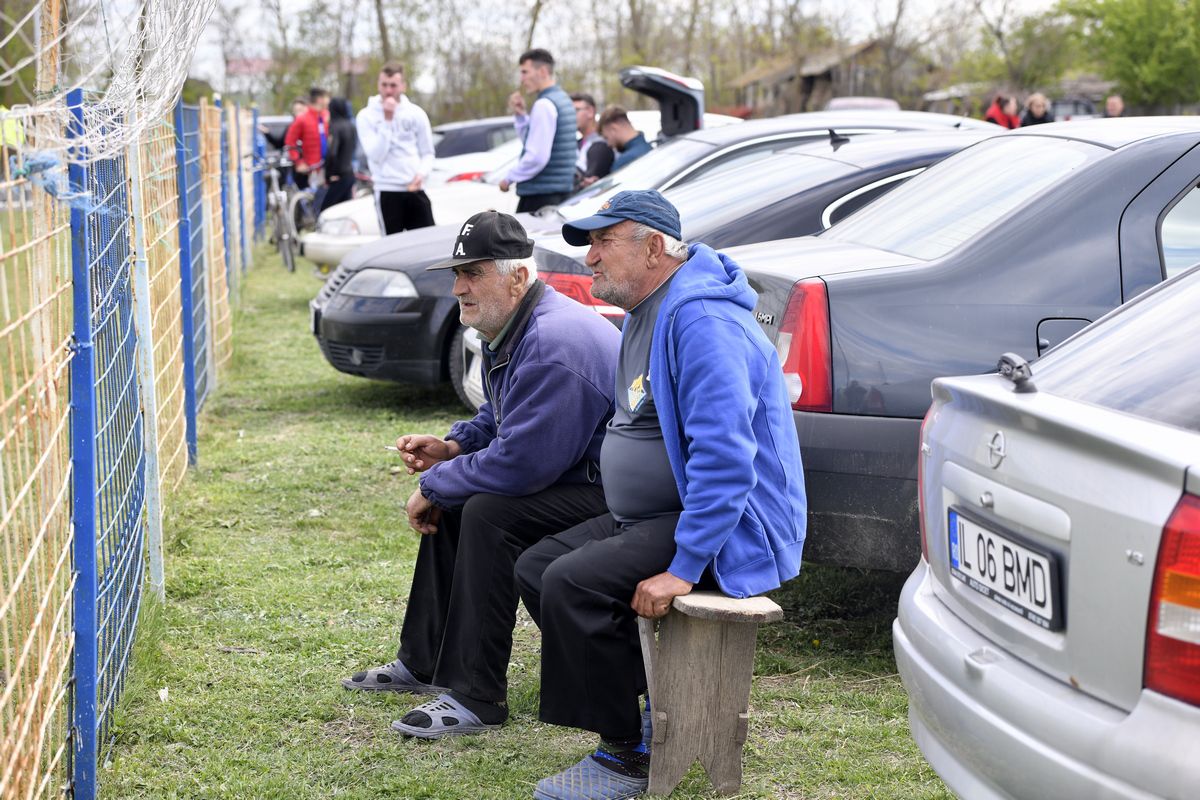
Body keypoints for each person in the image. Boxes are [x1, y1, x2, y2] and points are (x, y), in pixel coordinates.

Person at [514, 190, 807, 800]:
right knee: (537, 568)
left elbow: (727, 458)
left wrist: (684, 566)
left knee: (573, 584)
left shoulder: (700, 320)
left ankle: (629, 757)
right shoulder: (648, 308)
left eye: (602, 242)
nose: (590, 257)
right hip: (653, 512)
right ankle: (653, 706)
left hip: (727, 527)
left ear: (652, 247)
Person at [342, 211, 621, 741]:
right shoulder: (518, 324)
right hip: (578, 478)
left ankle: (477, 694)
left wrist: (433, 483)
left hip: (613, 498)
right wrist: (452, 448)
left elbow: (521, 465)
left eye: (473, 273)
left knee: (490, 509)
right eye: (458, 274)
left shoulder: (553, 340)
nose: (458, 287)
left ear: (517, 277)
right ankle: (423, 663)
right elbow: (502, 417)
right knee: (465, 494)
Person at [356, 62, 436, 234]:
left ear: (403, 86)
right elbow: (375, 155)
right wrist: (387, 119)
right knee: (393, 249)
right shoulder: (366, 116)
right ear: (378, 85)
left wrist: (421, 173)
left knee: (427, 242)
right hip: (387, 190)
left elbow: (428, 153)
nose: (388, 90)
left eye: (393, 85)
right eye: (384, 85)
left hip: (414, 189)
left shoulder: (416, 113)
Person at [498, 49, 577, 212]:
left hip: (540, 197)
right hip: (559, 194)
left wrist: (509, 178)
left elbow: (537, 156)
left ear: (542, 71)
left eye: (525, 72)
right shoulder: (562, 98)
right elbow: (537, 143)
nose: (522, 79)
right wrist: (521, 116)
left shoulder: (544, 104)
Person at [285, 87, 330, 190]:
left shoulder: (326, 115)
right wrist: (299, 162)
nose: (328, 101)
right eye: (327, 98)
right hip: (312, 168)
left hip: (328, 166)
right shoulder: (302, 119)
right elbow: (290, 142)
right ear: (320, 99)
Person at [320, 98, 357, 212]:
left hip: (338, 175)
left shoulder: (335, 127)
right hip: (349, 173)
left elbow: (332, 153)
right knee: (345, 211)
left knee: (326, 210)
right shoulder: (351, 126)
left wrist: (328, 174)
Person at [572, 92, 613, 190]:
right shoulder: (578, 143)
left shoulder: (601, 145)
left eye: (575, 110)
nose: (570, 116)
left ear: (590, 111)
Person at [599, 106, 652, 172]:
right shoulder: (652, 149)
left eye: (606, 138)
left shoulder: (624, 162)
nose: (609, 144)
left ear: (613, 128)